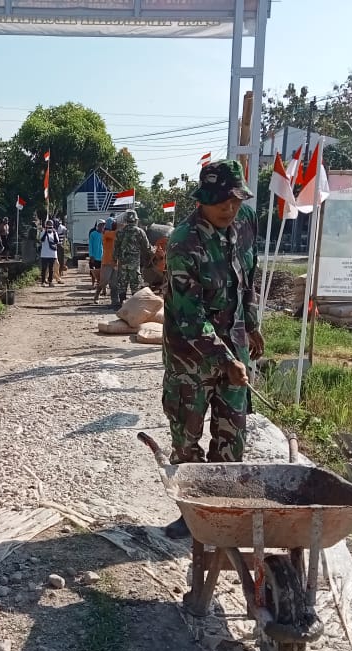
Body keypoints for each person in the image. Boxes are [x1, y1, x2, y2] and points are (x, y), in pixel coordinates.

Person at [161, 160, 263, 539]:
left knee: (232, 433)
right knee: (186, 437)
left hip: (235, 348)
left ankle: (220, 512)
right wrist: (225, 358)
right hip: (191, 357)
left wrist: (251, 324)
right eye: (221, 200)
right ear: (203, 199)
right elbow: (190, 317)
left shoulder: (245, 221)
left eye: (235, 200)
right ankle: (191, 514)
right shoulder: (184, 242)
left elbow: (249, 277)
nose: (229, 208)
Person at [112, 209, 152, 308]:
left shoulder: (120, 232)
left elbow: (116, 247)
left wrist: (114, 259)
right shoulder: (140, 232)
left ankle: (122, 304)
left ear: (126, 220)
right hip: (134, 262)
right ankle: (134, 306)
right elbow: (146, 247)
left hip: (123, 262)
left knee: (122, 282)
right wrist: (152, 252)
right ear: (136, 220)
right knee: (135, 283)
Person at [93, 219, 118, 304]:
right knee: (104, 281)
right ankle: (97, 295)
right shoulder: (107, 234)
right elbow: (117, 234)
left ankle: (114, 300)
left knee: (114, 283)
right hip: (107, 261)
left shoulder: (113, 233)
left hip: (115, 261)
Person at [39, 218, 60, 286]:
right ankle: (42, 282)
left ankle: (50, 281)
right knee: (44, 268)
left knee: (51, 269)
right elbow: (41, 240)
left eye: (51, 226)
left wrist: (53, 233)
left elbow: (57, 241)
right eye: (48, 225)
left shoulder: (54, 232)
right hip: (44, 254)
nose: (49, 227)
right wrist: (45, 232)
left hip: (52, 254)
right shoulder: (43, 232)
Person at [87, 219, 105, 289]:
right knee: (93, 272)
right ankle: (93, 284)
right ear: (97, 226)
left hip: (102, 256)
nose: (102, 227)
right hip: (94, 256)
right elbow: (90, 245)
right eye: (101, 225)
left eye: (103, 225)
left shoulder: (104, 234)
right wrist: (91, 255)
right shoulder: (93, 234)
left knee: (102, 272)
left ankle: (101, 285)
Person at [54, 217, 68, 283]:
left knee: (61, 260)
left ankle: (60, 272)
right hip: (55, 246)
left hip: (60, 245)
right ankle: (57, 273)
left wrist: (63, 244)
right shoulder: (55, 228)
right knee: (57, 260)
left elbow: (65, 237)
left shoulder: (63, 228)